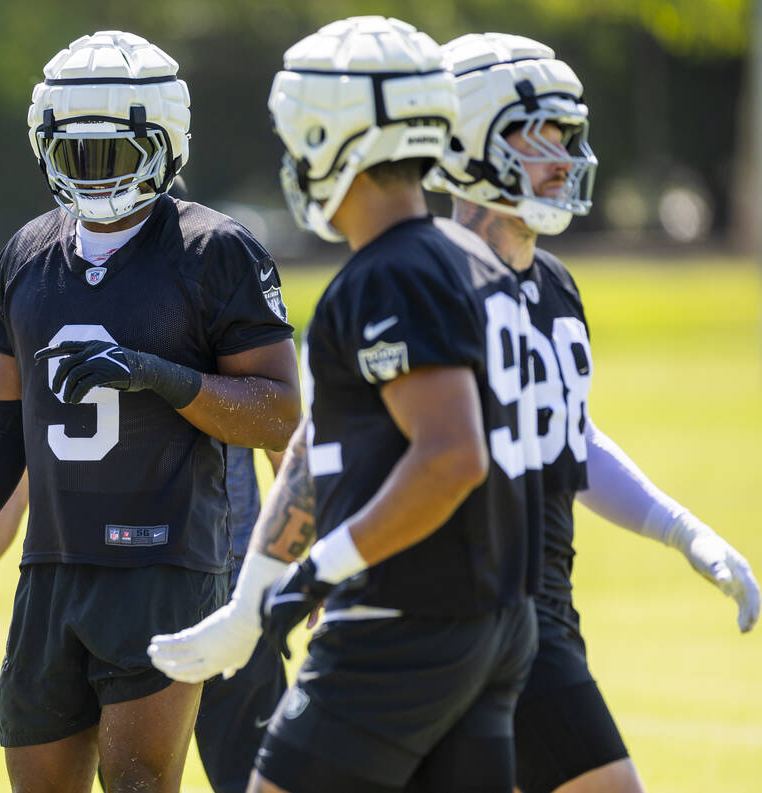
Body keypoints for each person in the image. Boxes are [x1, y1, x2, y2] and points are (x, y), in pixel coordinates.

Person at [0, 30, 300, 793]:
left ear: (165, 142)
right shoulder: (25, 254)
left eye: (113, 153)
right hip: (53, 569)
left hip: (166, 563)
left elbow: (281, 414)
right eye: (74, 152)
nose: (92, 174)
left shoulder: (216, 250)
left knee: (140, 784)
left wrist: (160, 377)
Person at [150, 16, 545, 792]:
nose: (296, 160)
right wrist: (252, 598)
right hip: (492, 618)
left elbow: (452, 454)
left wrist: (315, 576)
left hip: (402, 618)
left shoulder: (384, 278)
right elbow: (315, 451)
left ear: (339, 139)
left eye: (302, 138)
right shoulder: (468, 262)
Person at [429, 33, 760, 793]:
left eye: (567, 135)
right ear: (464, 141)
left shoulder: (552, 286)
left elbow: (563, 433)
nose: (562, 157)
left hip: (543, 608)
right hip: (457, 613)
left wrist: (684, 531)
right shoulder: (423, 285)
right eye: (539, 135)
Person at [0, 448, 288, 793]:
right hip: (126, 599)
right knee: (131, 783)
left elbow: (288, 452)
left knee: (257, 782)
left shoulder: (235, 390)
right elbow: (21, 474)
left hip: (240, 593)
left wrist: (308, 574)